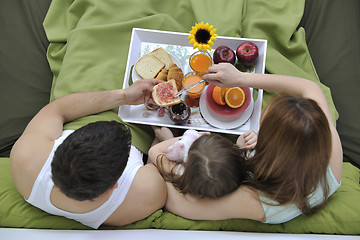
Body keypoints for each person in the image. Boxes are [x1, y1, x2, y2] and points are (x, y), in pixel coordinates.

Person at [161, 63, 343, 224]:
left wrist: (174, 148)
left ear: (268, 148)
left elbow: (181, 204)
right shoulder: (330, 147)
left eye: (262, 126)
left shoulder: (261, 201)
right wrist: (240, 78)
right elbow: (310, 87)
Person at [9, 78, 167, 229]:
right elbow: (155, 155)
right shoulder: (147, 193)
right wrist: (163, 139)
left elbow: (57, 109)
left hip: (100, 103)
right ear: (114, 185)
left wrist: (124, 95)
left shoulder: (25, 157)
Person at [148, 126, 257, 199]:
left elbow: (154, 151)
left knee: (162, 134)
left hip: (166, 165)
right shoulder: (237, 171)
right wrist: (242, 146)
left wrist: (189, 137)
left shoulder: (182, 173)